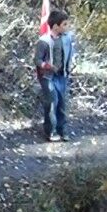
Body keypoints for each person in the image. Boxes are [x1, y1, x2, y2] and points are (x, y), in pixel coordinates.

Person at [35, 9, 74, 143]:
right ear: (56, 26)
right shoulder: (44, 41)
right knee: (52, 102)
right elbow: (37, 60)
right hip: (48, 76)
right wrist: (46, 65)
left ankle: (62, 129)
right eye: (64, 24)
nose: (67, 27)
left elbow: (70, 51)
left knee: (62, 103)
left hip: (62, 75)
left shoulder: (67, 38)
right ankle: (50, 131)